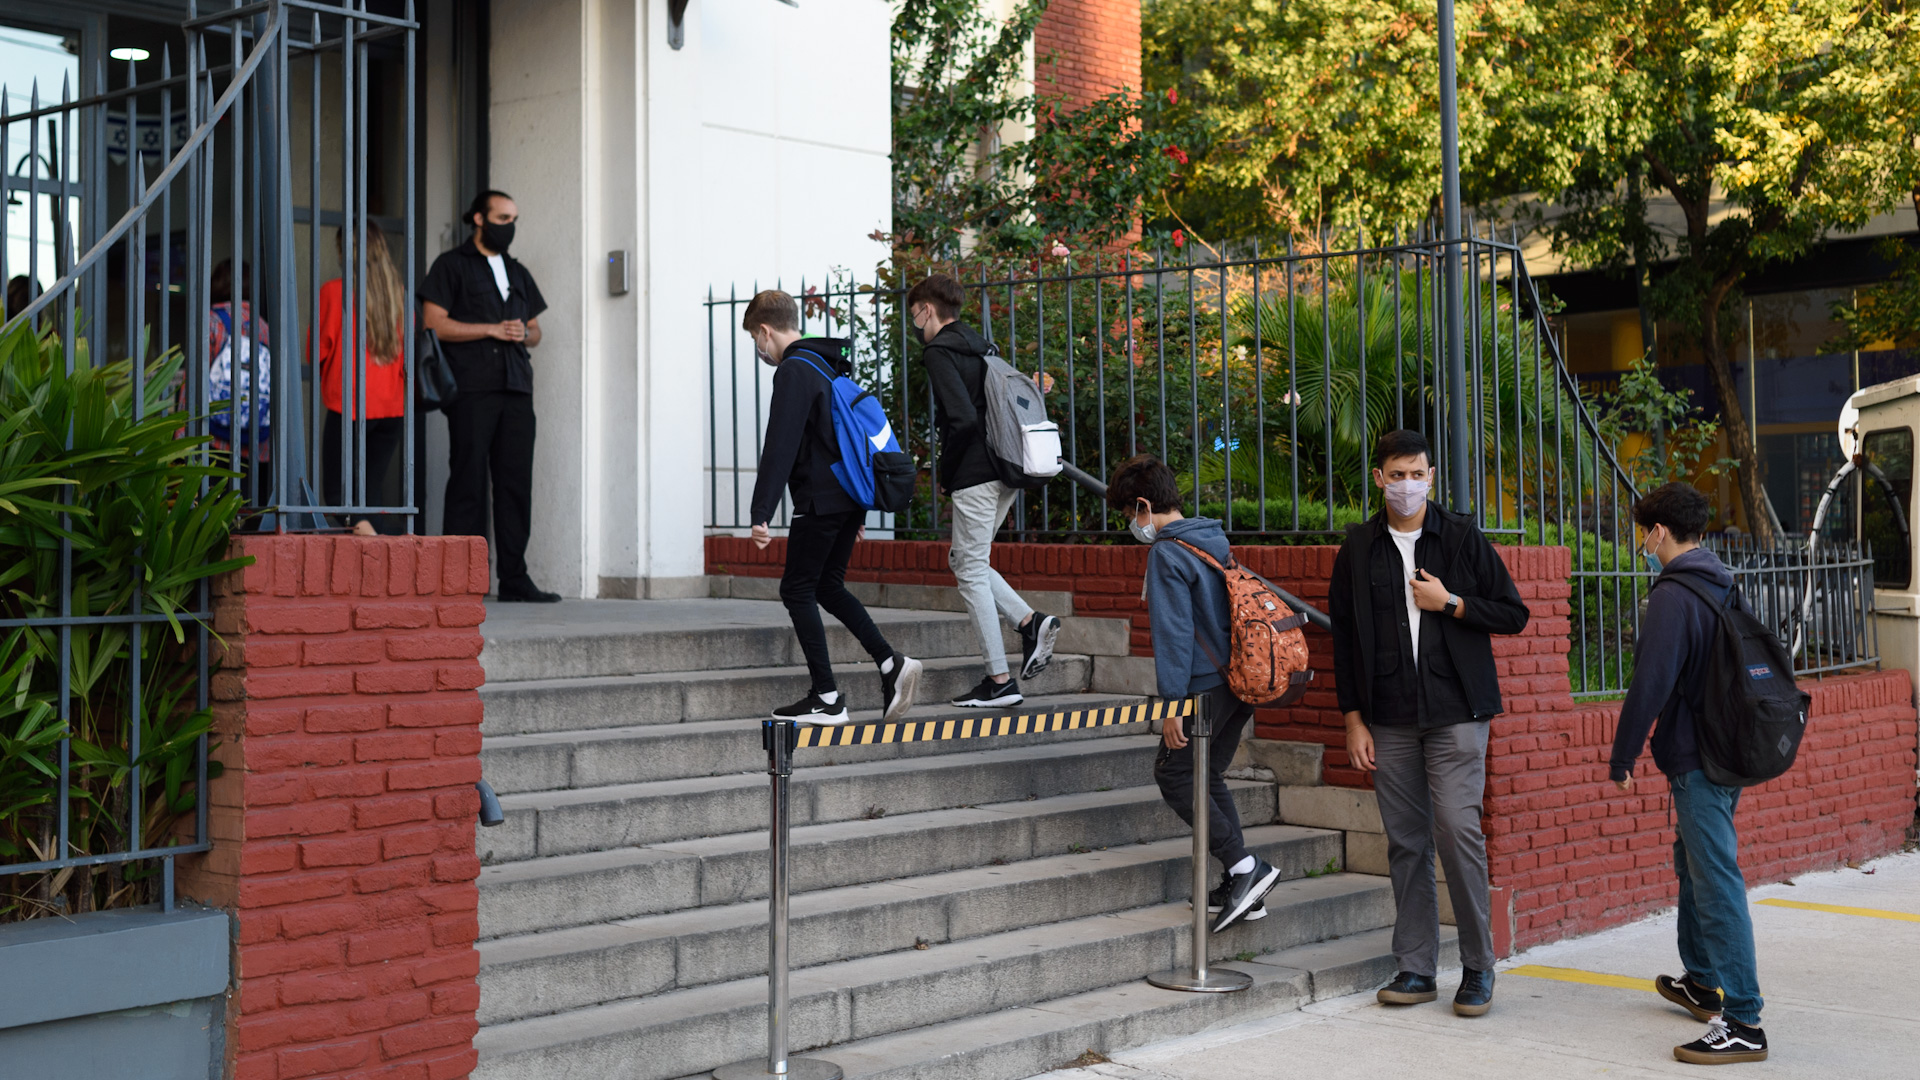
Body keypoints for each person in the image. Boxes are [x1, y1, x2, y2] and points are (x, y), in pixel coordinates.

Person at [1327, 429, 1530, 1017]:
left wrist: (1452, 602)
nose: (1407, 485)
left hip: (1456, 712)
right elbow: (1343, 641)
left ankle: (1477, 967)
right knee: (1406, 842)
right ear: (1379, 478)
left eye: (1417, 474)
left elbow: (1513, 613)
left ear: (1432, 477)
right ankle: (1416, 966)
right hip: (1387, 718)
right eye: (1397, 474)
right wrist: (1352, 720)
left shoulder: (1461, 537)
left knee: (1456, 832)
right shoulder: (1359, 547)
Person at [1611, 482, 1769, 1065]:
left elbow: (1649, 684)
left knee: (1715, 875)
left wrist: (1622, 756)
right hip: (1728, 751)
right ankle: (1702, 982)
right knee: (1693, 864)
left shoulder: (1674, 597)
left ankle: (1745, 1020)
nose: (1641, 543)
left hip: (1699, 759)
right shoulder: (1721, 582)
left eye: (1642, 533)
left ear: (1656, 532)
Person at [1106, 453, 1279, 932]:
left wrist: (1173, 706)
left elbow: (1174, 634)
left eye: (1129, 514)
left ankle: (1247, 870)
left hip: (1203, 687)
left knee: (1177, 775)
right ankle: (1243, 885)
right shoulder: (1210, 538)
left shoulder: (1166, 552)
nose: (1131, 525)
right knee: (1208, 774)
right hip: (1240, 678)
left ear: (1144, 505)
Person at [744, 289, 922, 724]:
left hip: (821, 500)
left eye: (754, 339)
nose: (758, 349)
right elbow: (841, 440)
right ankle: (890, 663)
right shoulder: (826, 366)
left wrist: (760, 511)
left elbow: (780, 445)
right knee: (827, 586)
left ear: (765, 330)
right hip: (846, 496)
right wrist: (856, 510)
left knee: (797, 589)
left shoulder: (793, 371)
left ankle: (827, 698)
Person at [907, 273, 1061, 708]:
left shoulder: (939, 352)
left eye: (914, 315)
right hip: (1006, 469)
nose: (914, 323)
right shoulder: (982, 347)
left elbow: (962, 420)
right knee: (966, 560)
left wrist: (947, 471)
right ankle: (1029, 622)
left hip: (974, 473)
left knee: (971, 570)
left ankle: (999, 680)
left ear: (927, 310)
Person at [420, 190, 557, 602]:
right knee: (468, 480)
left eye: (514, 218)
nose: (509, 226)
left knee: (515, 484)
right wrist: (491, 329)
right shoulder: (451, 266)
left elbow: (536, 330)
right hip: (472, 388)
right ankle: (459, 581)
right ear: (478, 218)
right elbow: (434, 324)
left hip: (516, 388)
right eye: (502, 218)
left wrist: (521, 332)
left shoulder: (517, 271)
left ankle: (514, 579)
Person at [310, 221, 407, 536]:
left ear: (345, 252)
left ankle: (375, 553)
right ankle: (377, 560)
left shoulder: (334, 292)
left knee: (340, 498)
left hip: (350, 407)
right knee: (369, 494)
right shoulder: (399, 295)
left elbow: (317, 351)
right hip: (391, 408)